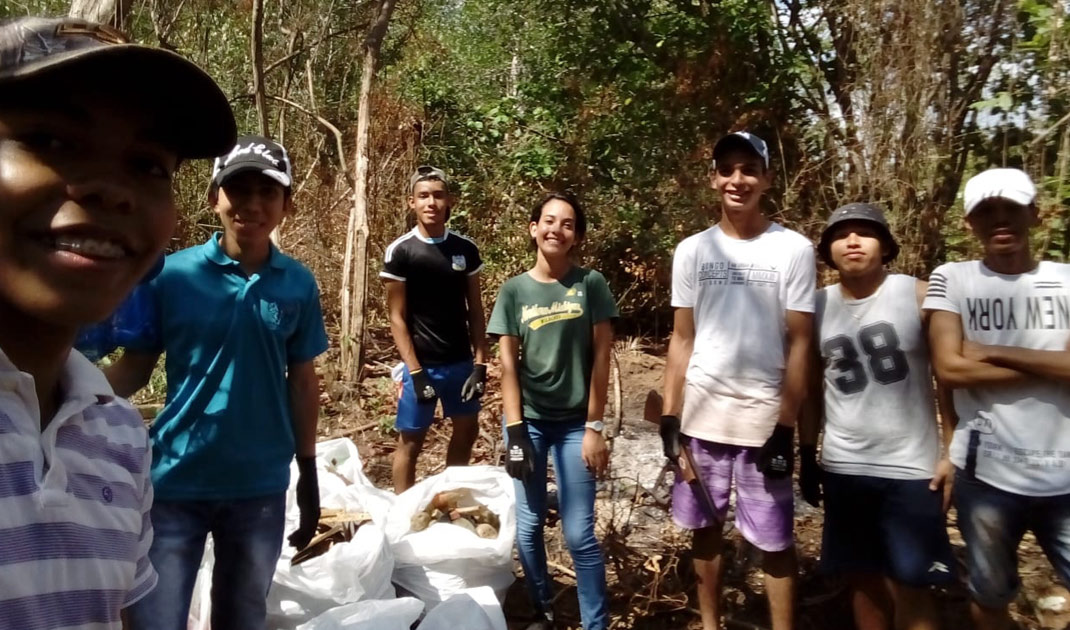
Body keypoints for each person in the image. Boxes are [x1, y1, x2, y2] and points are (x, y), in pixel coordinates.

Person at [0, 15, 234, 630]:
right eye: (50, 140)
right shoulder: (187, 278)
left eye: (149, 165)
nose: (112, 188)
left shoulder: (118, 439)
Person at [105, 136, 328, 630]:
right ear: (214, 197)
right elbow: (134, 368)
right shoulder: (172, 275)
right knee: (154, 620)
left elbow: (302, 380)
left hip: (259, 487)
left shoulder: (297, 283)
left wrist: (308, 471)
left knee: (242, 618)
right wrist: (59, 394)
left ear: (286, 206)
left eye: (267, 193)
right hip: (174, 482)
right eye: (238, 189)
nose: (251, 204)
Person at [660, 132, 815, 630]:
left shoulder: (793, 249)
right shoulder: (692, 251)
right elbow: (682, 339)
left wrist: (787, 429)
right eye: (727, 169)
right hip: (702, 420)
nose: (737, 180)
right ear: (713, 179)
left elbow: (800, 343)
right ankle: (710, 623)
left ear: (767, 179)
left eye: (749, 169)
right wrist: (669, 413)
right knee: (704, 531)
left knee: (774, 542)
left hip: (762, 423)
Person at [923, 168, 1070, 630]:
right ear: (970, 222)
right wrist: (1049, 362)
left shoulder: (1066, 280)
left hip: (1066, 474)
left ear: (1035, 214)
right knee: (989, 595)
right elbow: (949, 368)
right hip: (987, 475)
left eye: (1011, 208)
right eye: (986, 211)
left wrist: (990, 349)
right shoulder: (954, 278)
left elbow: (968, 360)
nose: (999, 219)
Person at [800, 203, 956, 630]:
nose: (852, 241)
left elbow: (949, 378)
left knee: (913, 584)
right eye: (841, 234)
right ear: (827, 250)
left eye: (864, 233)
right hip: (845, 466)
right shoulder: (815, 307)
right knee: (863, 582)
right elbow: (812, 389)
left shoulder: (918, 294)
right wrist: (808, 453)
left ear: (885, 246)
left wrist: (951, 451)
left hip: (911, 468)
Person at [488, 192, 617, 630]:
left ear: (576, 236)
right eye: (547, 220)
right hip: (528, 423)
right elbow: (507, 365)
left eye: (566, 224)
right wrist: (515, 431)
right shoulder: (513, 291)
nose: (555, 229)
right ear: (532, 228)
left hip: (576, 425)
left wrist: (595, 426)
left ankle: (594, 623)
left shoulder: (591, 284)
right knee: (527, 526)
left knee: (579, 534)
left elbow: (602, 357)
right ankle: (542, 605)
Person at [381, 165, 489, 492]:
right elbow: (396, 317)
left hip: (459, 362)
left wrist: (481, 364)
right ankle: (404, 513)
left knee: (467, 430)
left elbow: (476, 310)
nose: (431, 202)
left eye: (438, 195)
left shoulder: (465, 249)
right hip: (422, 365)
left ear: (449, 200)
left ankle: (449, 498)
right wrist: (415, 372)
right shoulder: (401, 251)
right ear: (411, 203)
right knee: (412, 440)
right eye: (423, 196)